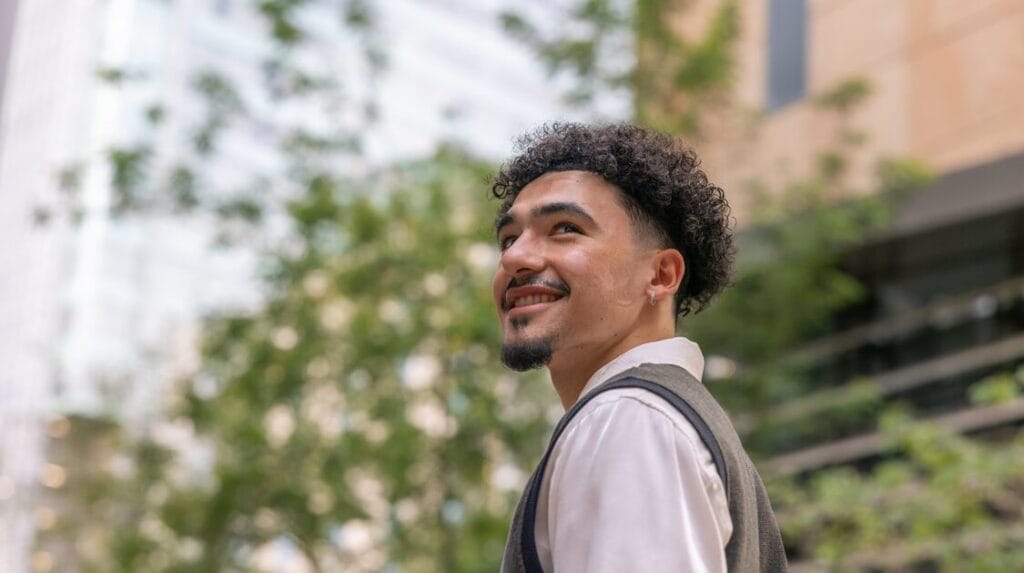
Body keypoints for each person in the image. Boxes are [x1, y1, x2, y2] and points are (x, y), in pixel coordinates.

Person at [491, 123, 787, 572]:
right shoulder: (659, 420)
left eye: (564, 228)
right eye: (509, 239)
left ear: (661, 275)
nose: (514, 258)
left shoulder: (628, 419)